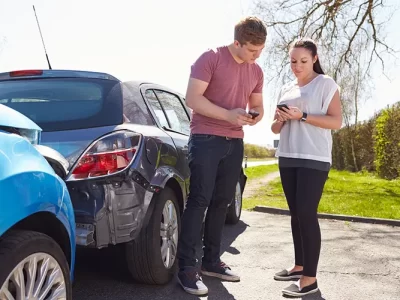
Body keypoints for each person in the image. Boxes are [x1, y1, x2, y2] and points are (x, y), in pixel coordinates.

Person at [177, 17, 267, 296]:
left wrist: (255, 117)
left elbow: (257, 105)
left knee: (222, 202)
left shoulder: (256, 71)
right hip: (206, 138)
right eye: (252, 50)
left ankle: (212, 261)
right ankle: (186, 269)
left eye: (261, 51)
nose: (256, 56)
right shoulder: (210, 58)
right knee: (200, 199)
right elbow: (193, 98)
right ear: (237, 42)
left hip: (235, 141)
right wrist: (228, 115)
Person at [271, 37, 342, 297]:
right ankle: (299, 266)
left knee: (306, 212)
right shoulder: (287, 88)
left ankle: (310, 279)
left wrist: (301, 115)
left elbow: (336, 122)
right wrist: (281, 120)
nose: (297, 66)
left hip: (314, 157)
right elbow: (274, 128)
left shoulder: (326, 84)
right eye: (293, 61)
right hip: (288, 155)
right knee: (295, 213)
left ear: (314, 59)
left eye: (302, 61)